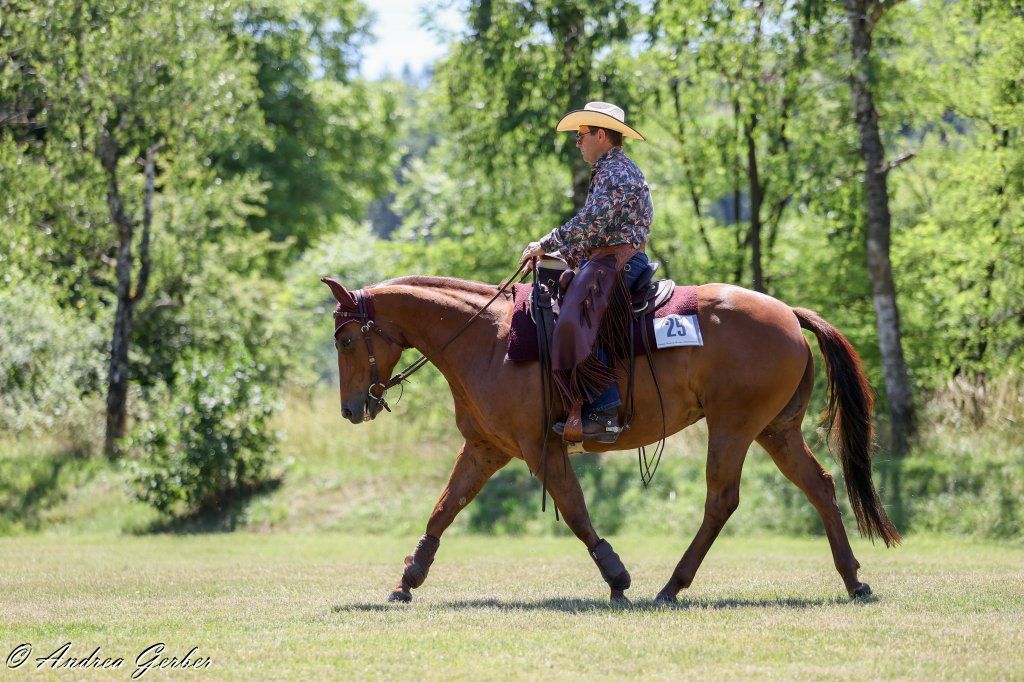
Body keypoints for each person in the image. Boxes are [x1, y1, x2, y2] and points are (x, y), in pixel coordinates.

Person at [519, 101, 653, 443]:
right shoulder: (609, 171)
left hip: (617, 261)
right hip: (604, 258)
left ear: (602, 135)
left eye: (582, 136)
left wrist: (545, 244)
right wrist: (556, 256)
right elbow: (594, 233)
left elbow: (592, 223)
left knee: (573, 319)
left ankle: (605, 412)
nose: (577, 142)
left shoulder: (616, 172)